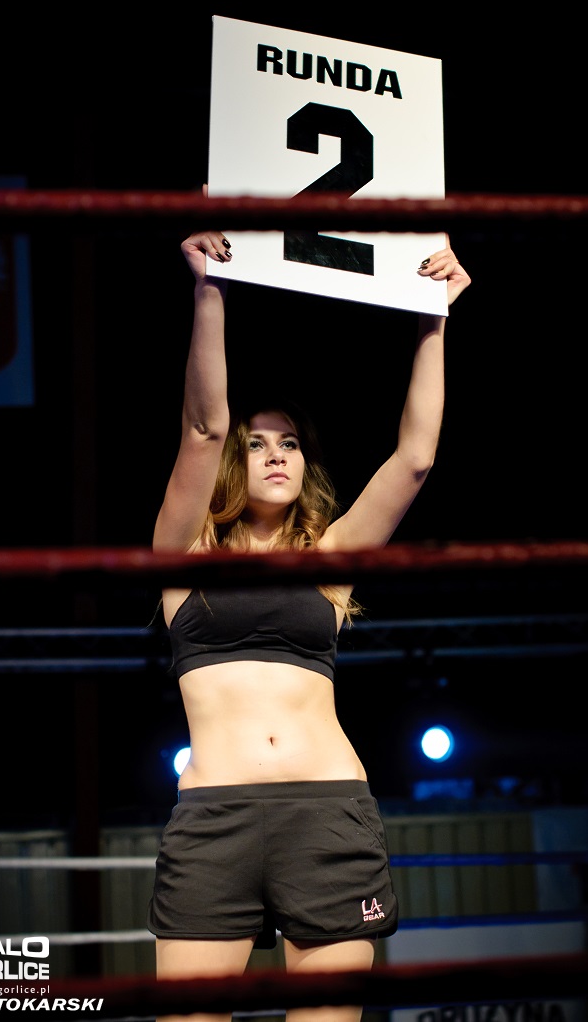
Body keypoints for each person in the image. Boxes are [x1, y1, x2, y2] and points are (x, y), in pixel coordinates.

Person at [147, 209, 471, 1022]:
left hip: (327, 812)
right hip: (214, 820)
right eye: (257, 442)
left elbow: (415, 459)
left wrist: (432, 317)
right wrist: (210, 289)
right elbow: (202, 426)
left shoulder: (328, 561)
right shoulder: (182, 554)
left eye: (288, 442)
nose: (275, 453)